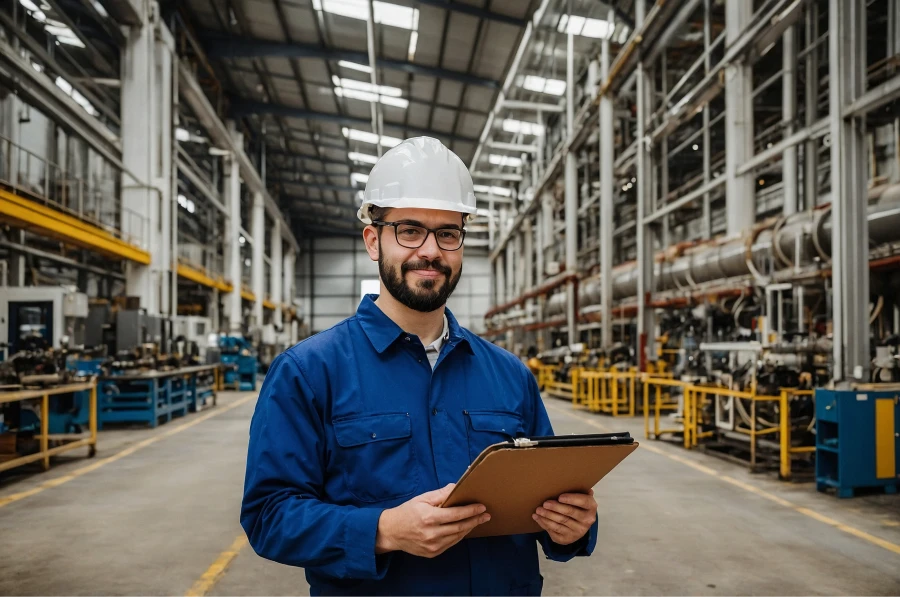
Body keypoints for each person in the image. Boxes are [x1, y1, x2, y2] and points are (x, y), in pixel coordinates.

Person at [241, 137, 598, 597]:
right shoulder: (308, 373)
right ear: (374, 240)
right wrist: (383, 530)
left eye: (448, 233)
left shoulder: (510, 375)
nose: (430, 250)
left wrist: (570, 527)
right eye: (410, 230)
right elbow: (269, 515)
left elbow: (548, 496)